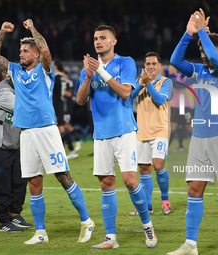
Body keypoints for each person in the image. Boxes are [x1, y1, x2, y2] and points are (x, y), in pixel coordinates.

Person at [0, 19, 95, 244]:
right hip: (25, 133)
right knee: (34, 183)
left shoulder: (46, 69)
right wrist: (2, 32)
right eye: (20, 50)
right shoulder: (15, 71)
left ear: (36, 54)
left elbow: (46, 49)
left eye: (26, 50)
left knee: (63, 177)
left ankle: (86, 221)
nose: (21, 53)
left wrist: (33, 29)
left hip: (47, 131)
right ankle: (41, 232)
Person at [167, 9, 218, 254]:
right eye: (200, 52)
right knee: (194, 189)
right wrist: (189, 34)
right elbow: (175, 61)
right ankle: (190, 244)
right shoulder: (199, 71)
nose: (202, 55)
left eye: (205, 51)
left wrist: (202, 31)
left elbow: (212, 53)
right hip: (199, 138)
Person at [76, 25, 157, 249]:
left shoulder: (126, 62)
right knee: (106, 184)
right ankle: (111, 237)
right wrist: (88, 77)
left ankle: (147, 225)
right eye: (95, 38)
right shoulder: (88, 68)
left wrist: (101, 71)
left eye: (103, 38)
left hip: (124, 130)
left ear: (113, 42)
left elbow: (125, 93)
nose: (98, 42)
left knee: (131, 181)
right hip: (101, 133)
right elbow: (80, 100)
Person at [0, 78, 33, 232]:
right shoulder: (4, 91)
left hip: (11, 144)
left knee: (20, 180)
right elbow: (24, 108)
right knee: (2, 183)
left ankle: (14, 214)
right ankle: (2, 221)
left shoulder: (19, 89)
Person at [129, 52, 173, 216]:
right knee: (144, 169)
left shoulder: (166, 82)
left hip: (160, 130)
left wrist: (148, 84)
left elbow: (161, 100)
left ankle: (165, 200)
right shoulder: (139, 82)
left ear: (159, 65)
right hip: (142, 131)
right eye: (148, 64)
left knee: (158, 164)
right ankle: (148, 207)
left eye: (154, 63)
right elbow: (129, 96)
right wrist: (142, 83)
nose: (151, 67)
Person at [53, 59, 78, 160]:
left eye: (52, 64)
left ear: (56, 66)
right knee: (60, 130)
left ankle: (72, 150)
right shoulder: (61, 77)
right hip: (59, 104)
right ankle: (63, 151)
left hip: (56, 105)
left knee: (61, 129)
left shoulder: (57, 77)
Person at [166, 65, 194, 151]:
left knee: (189, 127)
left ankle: (195, 148)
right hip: (176, 105)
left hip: (186, 105)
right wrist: (170, 74)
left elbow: (181, 85)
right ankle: (166, 149)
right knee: (173, 127)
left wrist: (170, 74)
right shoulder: (175, 78)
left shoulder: (190, 78)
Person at [63, 70, 83, 152]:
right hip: (60, 108)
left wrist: (60, 90)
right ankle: (64, 144)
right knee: (62, 126)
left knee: (66, 125)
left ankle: (78, 140)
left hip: (67, 108)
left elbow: (69, 94)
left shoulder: (69, 83)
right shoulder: (59, 82)